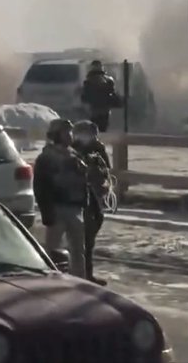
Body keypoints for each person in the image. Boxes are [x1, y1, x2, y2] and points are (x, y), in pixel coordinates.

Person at [33, 119, 89, 278]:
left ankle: (80, 280)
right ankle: (51, 280)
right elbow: (40, 187)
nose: (70, 136)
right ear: (57, 135)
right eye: (66, 132)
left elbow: (82, 182)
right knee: (53, 251)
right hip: (57, 208)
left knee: (78, 250)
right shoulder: (47, 157)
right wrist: (46, 212)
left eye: (70, 132)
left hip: (75, 207)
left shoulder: (74, 154)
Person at [72, 119, 112, 285]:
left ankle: (86, 273)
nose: (92, 137)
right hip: (81, 197)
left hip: (96, 195)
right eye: (88, 134)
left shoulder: (98, 148)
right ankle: (80, 273)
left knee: (91, 234)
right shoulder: (74, 150)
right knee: (83, 238)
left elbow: (106, 170)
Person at [81, 60, 121, 132]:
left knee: (95, 128)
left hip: (95, 109)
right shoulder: (109, 80)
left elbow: (85, 96)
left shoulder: (88, 81)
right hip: (103, 109)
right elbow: (112, 92)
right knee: (102, 127)